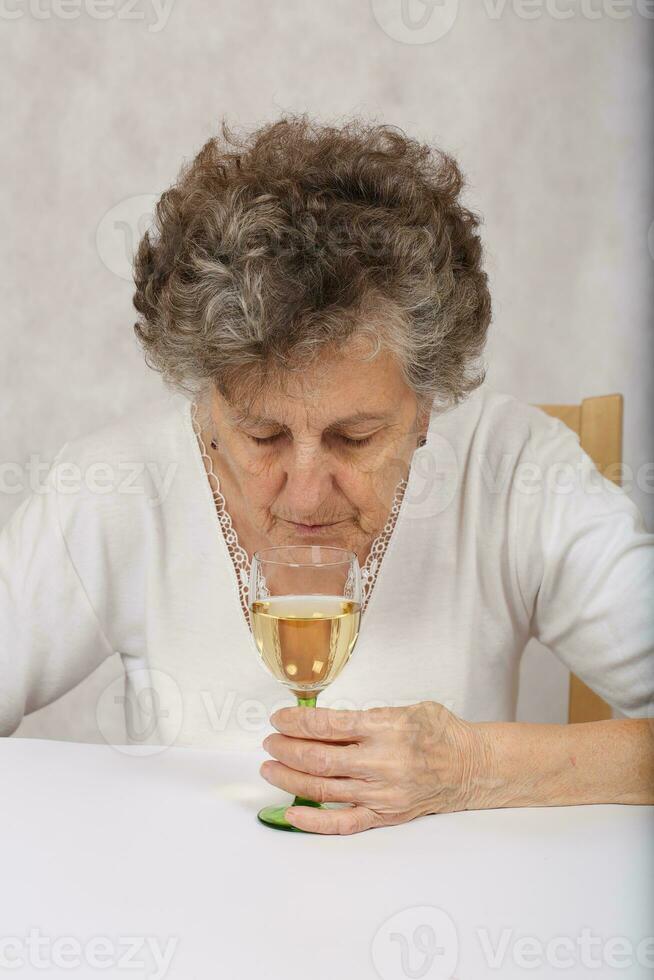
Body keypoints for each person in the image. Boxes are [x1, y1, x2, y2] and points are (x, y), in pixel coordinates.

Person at [1, 114, 652, 835]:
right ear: (204, 400)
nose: (307, 493)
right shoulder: (115, 487)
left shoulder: (515, 470)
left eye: (355, 436)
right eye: (262, 434)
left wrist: (472, 766)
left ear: (427, 401)